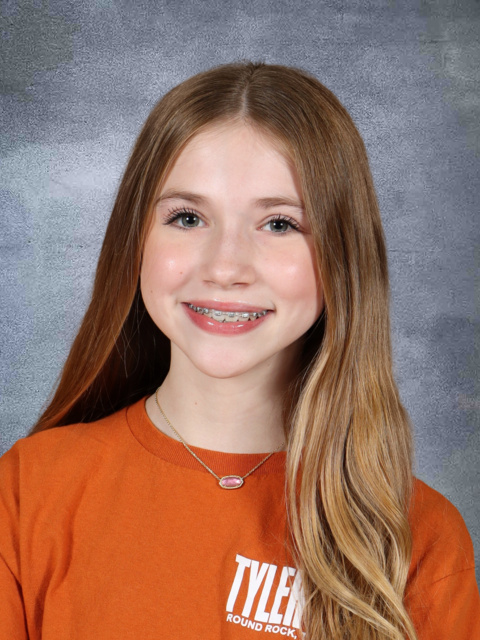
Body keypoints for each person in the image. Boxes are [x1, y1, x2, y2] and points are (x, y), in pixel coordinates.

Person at [0, 61, 478, 640]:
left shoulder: (418, 540)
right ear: (135, 238)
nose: (225, 267)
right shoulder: (26, 491)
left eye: (279, 224)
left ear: (343, 257)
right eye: (188, 217)